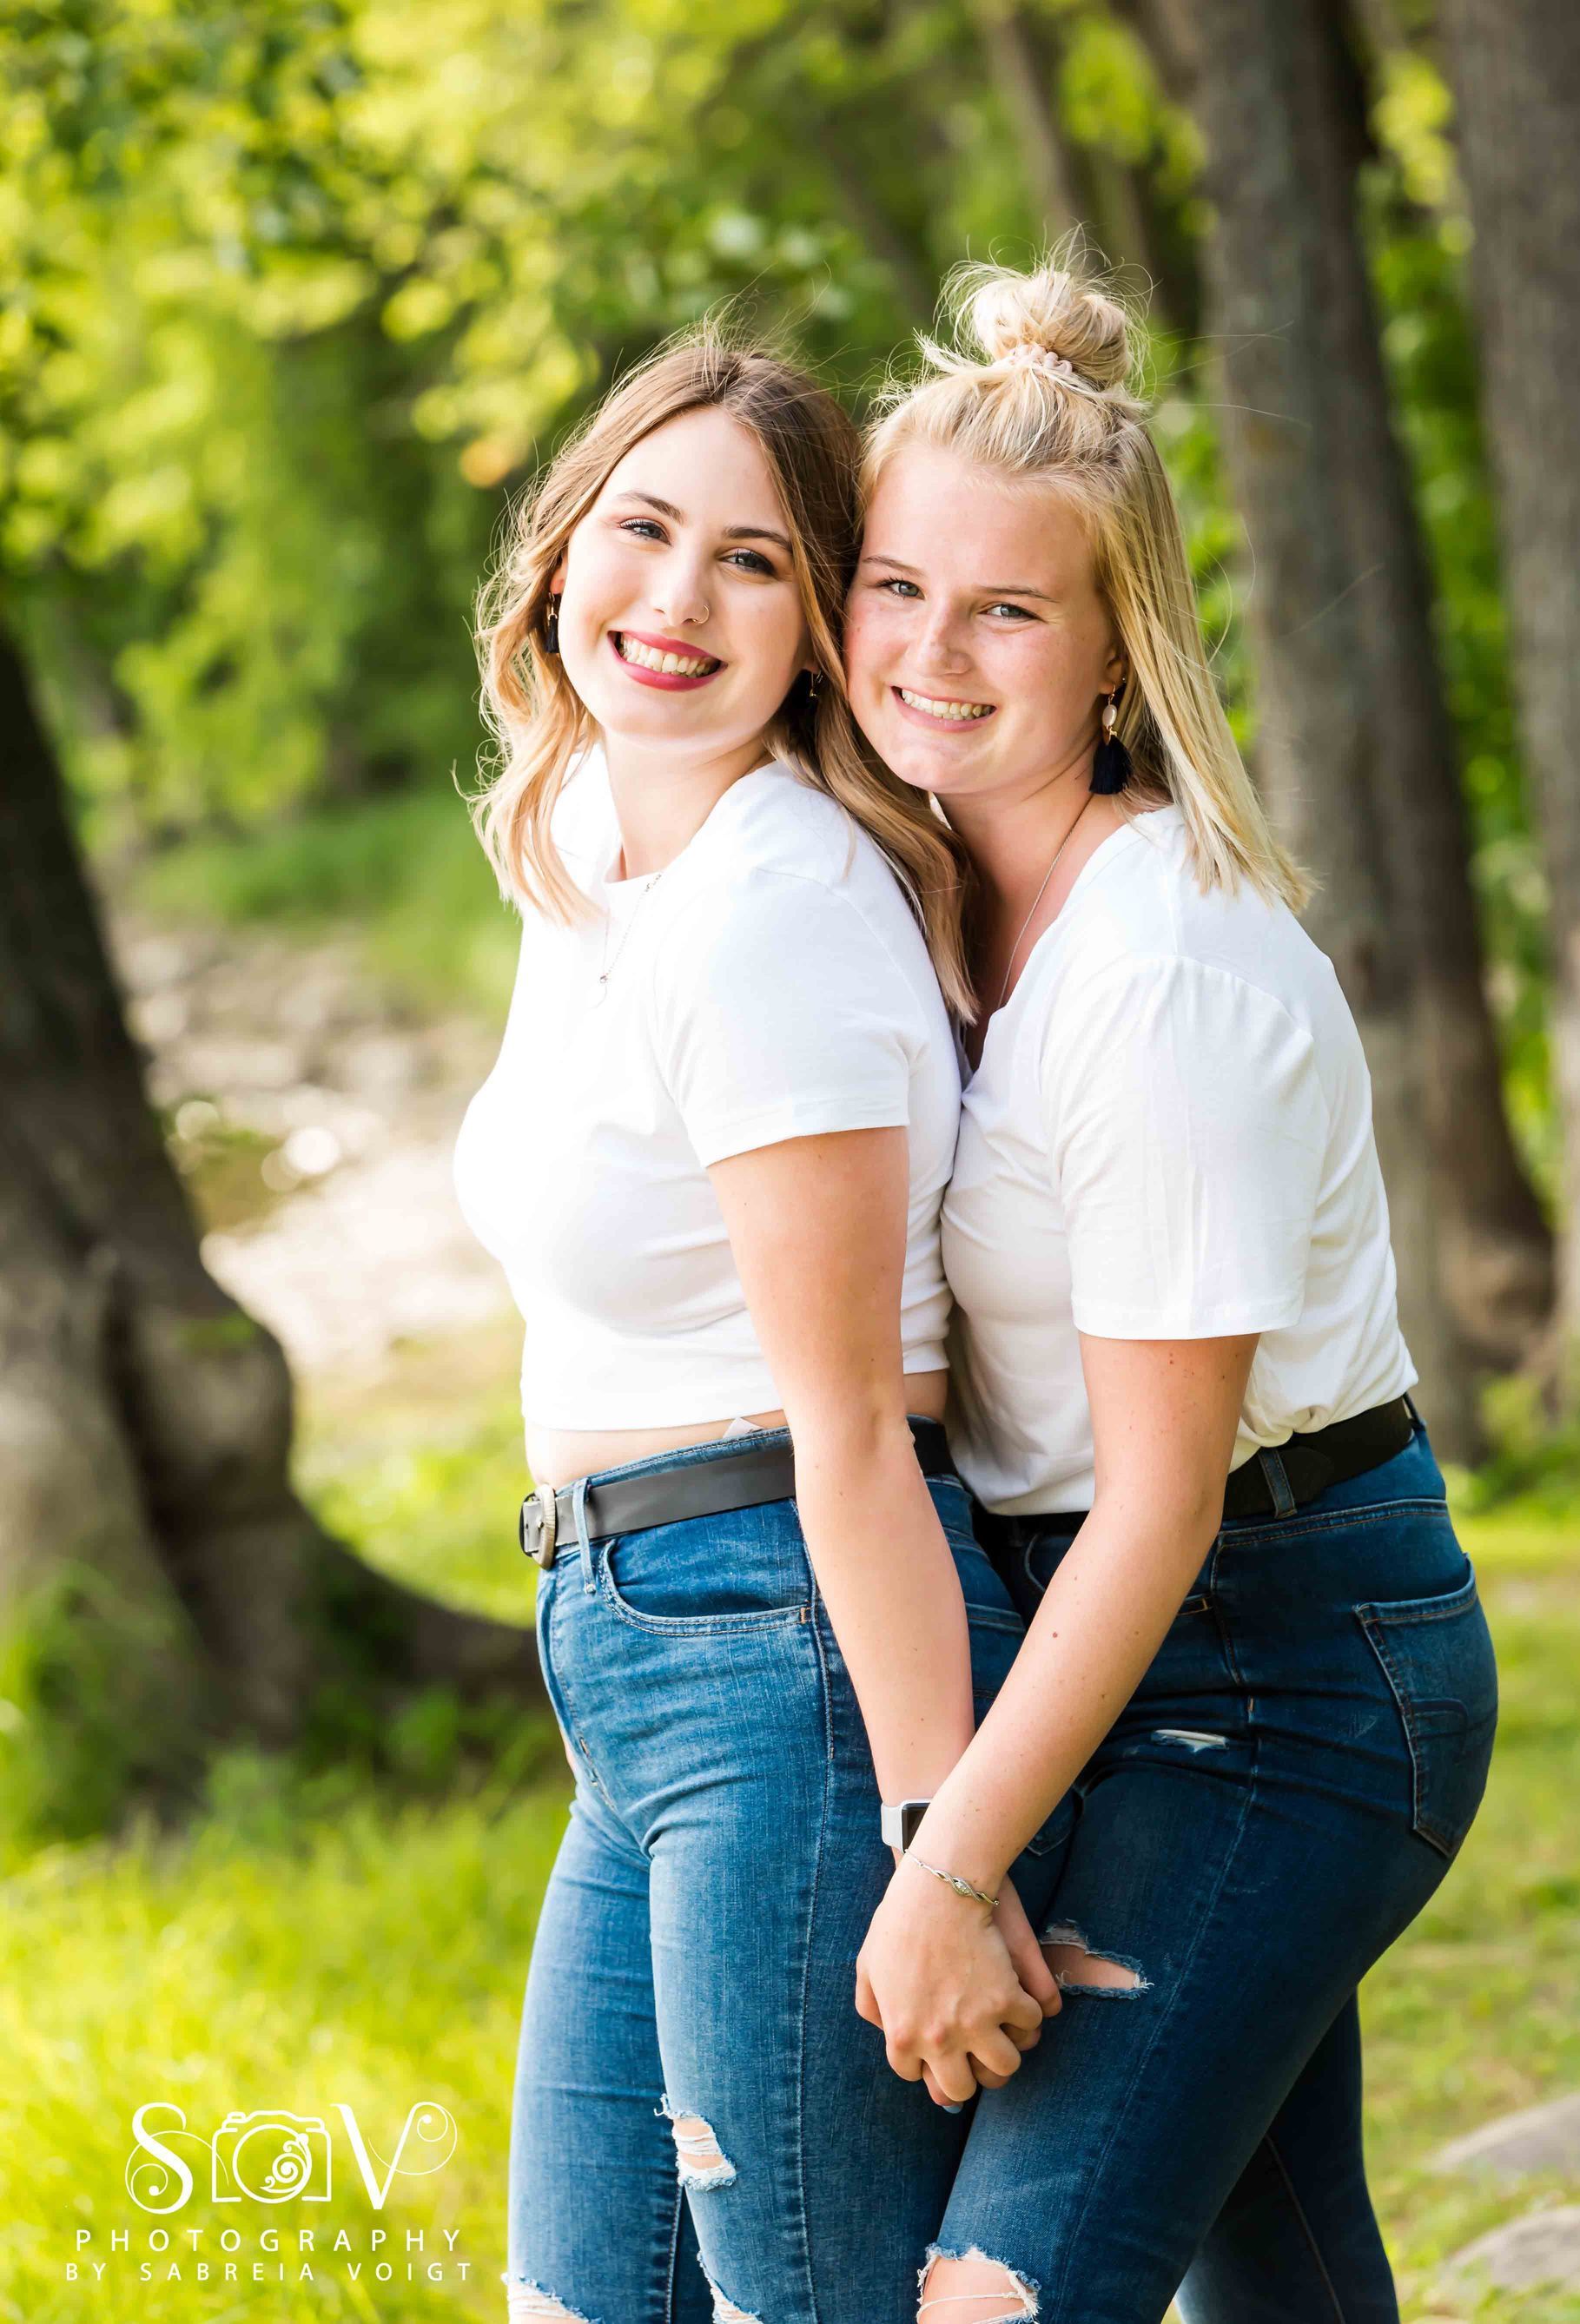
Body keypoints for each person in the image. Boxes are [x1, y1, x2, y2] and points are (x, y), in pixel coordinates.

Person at [841, 258, 1500, 2324]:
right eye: (894, 585)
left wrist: (951, 1868)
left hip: (1286, 1675)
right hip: (1119, 1656)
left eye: (1007, 609)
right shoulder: (935, 915)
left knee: (1005, 2298)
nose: (931, 651)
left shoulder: (1165, 980)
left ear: (1116, 654)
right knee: (1280, 2280)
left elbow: (1162, 1493)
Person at [453, 327, 1075, 2324]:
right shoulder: (598, 858)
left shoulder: (772, 908)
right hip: (644, 1659)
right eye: (644, 529)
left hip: (785, 1655)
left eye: (754, 564)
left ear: (817, 628)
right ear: (562, 554)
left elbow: (857, 1431)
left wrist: (942, 1853)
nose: (677, 599)